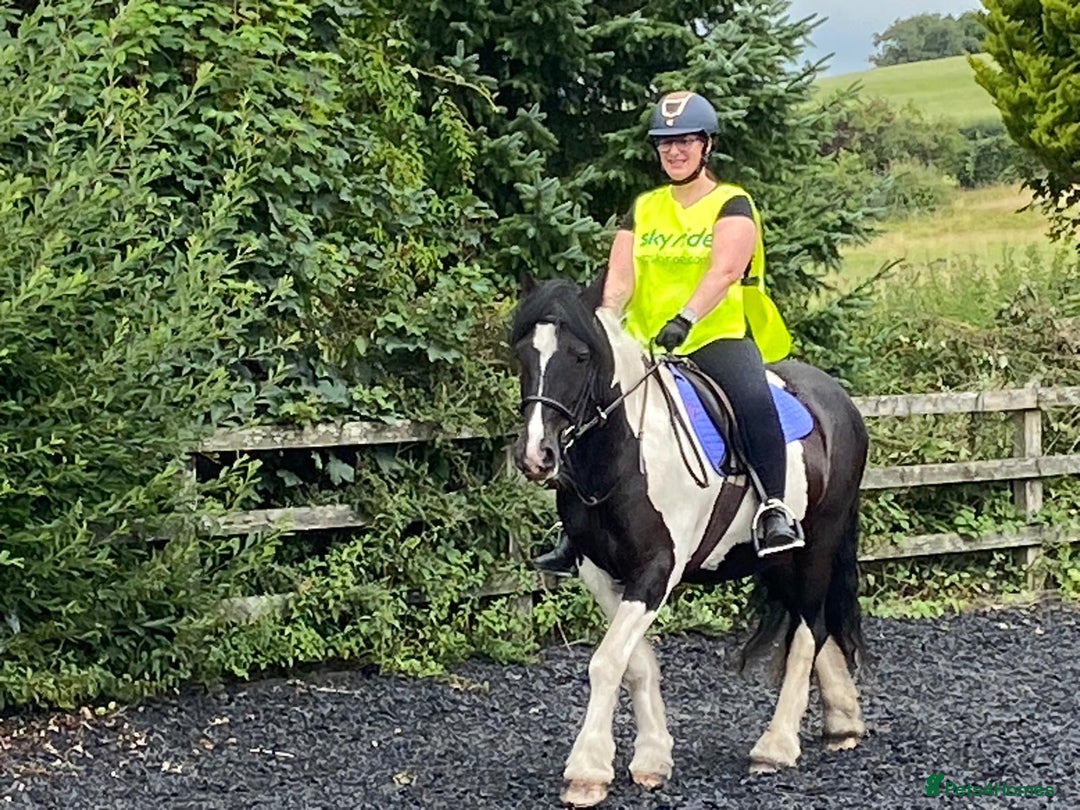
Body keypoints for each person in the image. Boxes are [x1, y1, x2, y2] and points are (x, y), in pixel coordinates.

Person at [534, 90, 803, 577]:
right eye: (665, 144)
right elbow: (619, 278)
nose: (674, 152)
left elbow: (724, 271)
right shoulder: (645, 207)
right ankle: (574, 529)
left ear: (707, 146)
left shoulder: (731, 203)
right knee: (587, 405)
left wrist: (687, 318)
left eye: (685, 142)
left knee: (751, 398)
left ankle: (774, 509)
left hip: (712, 335)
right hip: (641, 341)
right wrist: (609, 321)